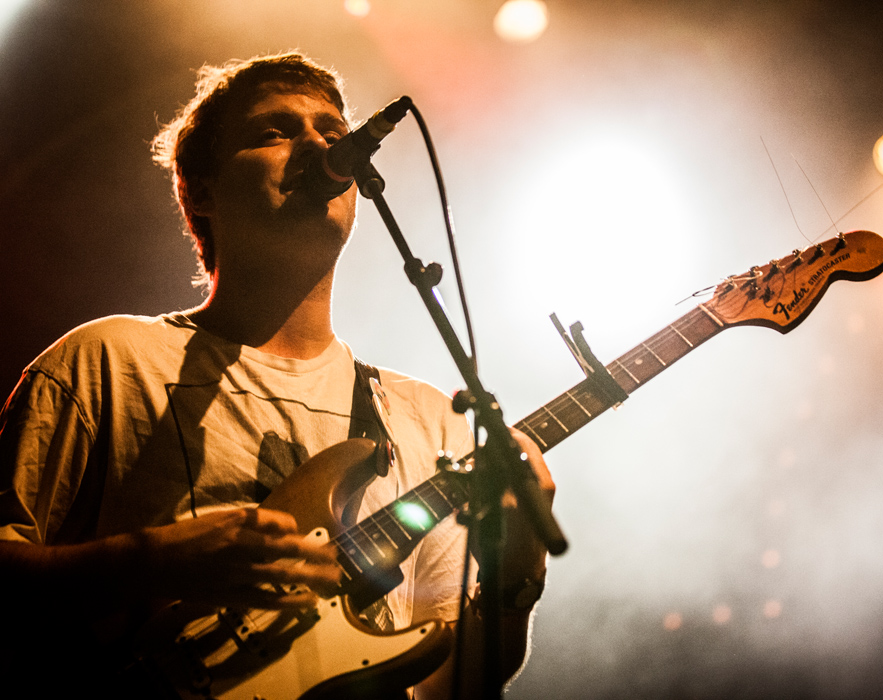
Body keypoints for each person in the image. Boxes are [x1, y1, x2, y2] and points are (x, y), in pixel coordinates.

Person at [0, 52, 553, 699]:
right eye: (275, 131)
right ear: (200, 192)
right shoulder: (107, 361)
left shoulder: (430, 421)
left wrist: (518, 571)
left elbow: (451, 688)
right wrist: (153, 560)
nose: (319, 146)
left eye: (332, 131)